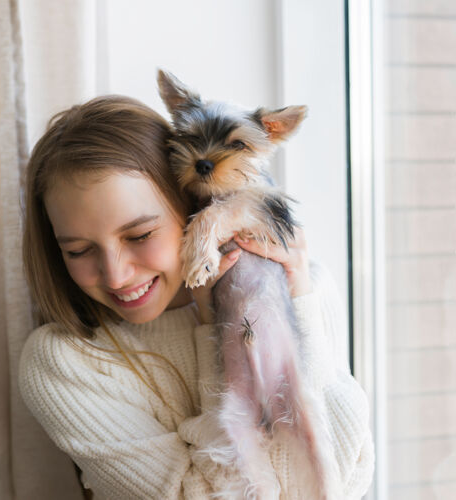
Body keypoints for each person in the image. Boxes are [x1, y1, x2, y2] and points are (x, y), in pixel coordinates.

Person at [19, 95, 374, 499]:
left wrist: (299, 306)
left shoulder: (304, 285)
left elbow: (347, 478)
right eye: (79, 251)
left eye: (140, 236)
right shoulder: (66, 362)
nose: (116, 274)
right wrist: (214, 327)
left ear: (191, 201)